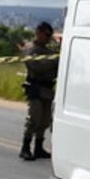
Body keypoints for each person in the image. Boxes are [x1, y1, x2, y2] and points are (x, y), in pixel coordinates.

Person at [19, 21, 59, 161]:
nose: (48, 38)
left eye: (50, 35)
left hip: (47, 88)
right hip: (35, 88)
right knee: (34, 118)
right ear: (39, 33)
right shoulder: (30, 49)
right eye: (47, 35)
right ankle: (25, 148)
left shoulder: (47, 51)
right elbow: (37, 65)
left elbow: (55, 66)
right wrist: (53, 62)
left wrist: (53, 61)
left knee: (45, 120)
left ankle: (38, 148)